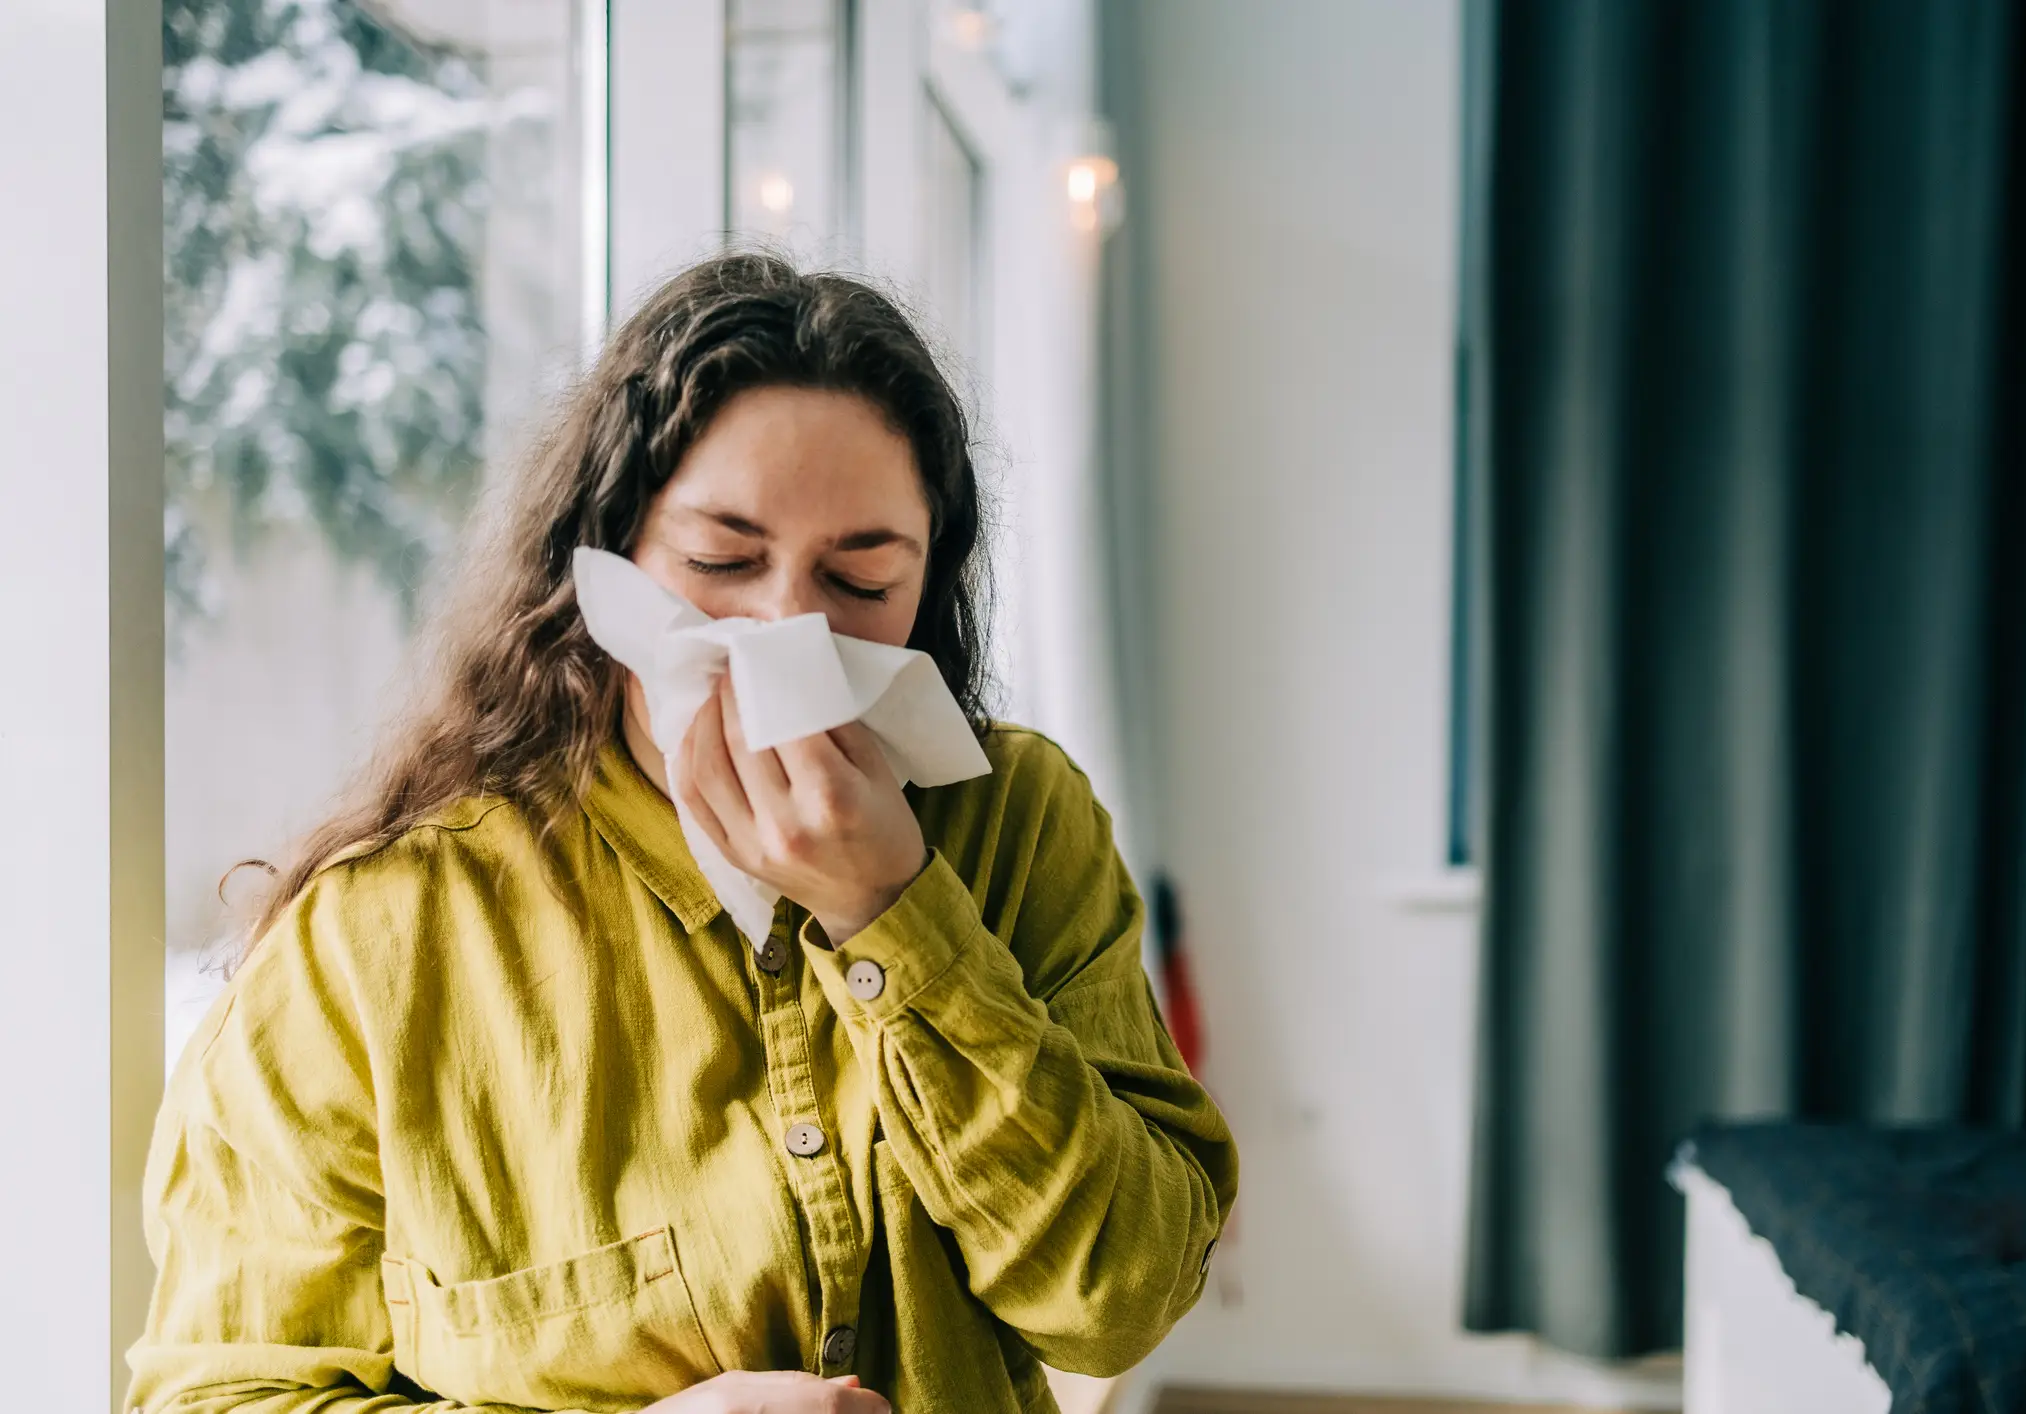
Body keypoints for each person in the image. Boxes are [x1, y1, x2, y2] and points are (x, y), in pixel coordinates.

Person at [128, 254, 1238, 1414]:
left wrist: (896, 916)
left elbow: (1121, 1303)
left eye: (861, 580)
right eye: (722, 563)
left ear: (928, 590)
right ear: (602, 564)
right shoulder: (374, 944)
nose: (787, 634)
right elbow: (224, 1394)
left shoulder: (1018, 822)